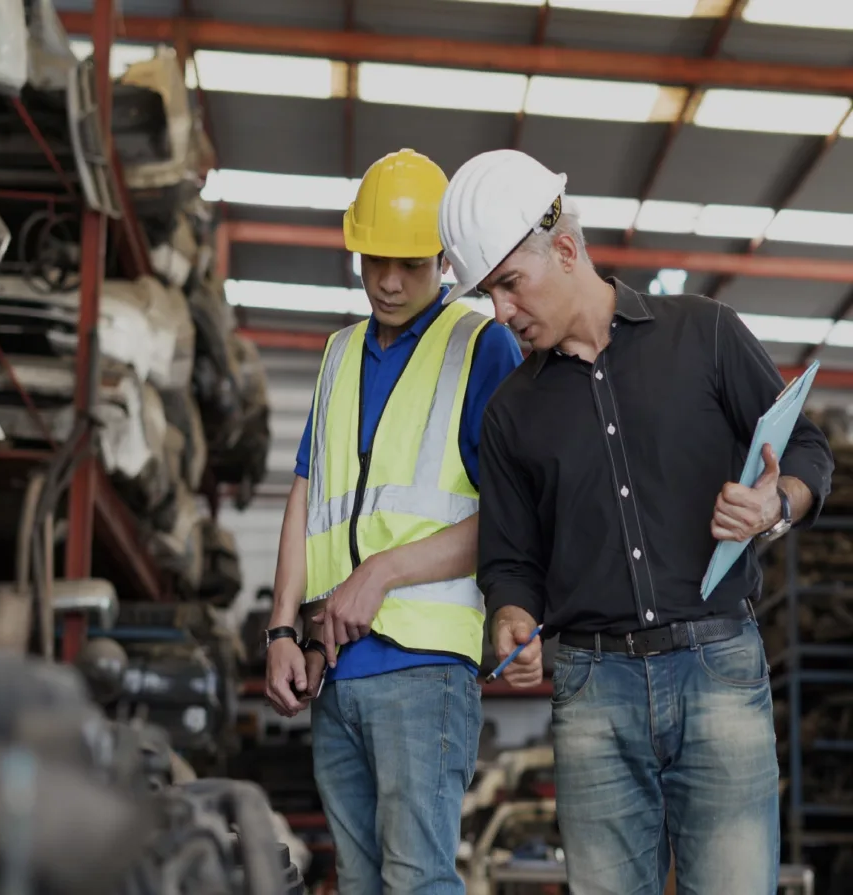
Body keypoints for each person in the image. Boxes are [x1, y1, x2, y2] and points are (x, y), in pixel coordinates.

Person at [437, 148, 835, 895]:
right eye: (488, 294)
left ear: (564, 248)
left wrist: (777, 502)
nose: (500, 313)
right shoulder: (511, 414)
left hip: (719, 669)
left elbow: (807, 449)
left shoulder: (707, 334)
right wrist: (510, 618)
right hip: (593, 691)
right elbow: (511, 561)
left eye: (509, 286)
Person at [262, 147, 523, 894]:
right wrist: (284, 627)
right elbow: (305, 495)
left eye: (410, 263)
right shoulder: (339, 354)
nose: (388, 279)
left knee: (417, 879)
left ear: (444, 257)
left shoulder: (482, 345)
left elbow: (512, 514)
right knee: (360, 881)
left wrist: (382, 573)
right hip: (335, 670)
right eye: (374, 257)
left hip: (426, 667)